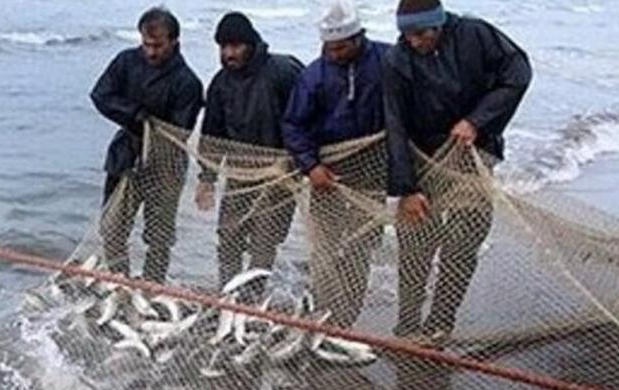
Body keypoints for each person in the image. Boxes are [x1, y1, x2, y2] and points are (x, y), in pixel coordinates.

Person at [384, 0, 532, 343]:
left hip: (471, 154)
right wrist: (406, 188)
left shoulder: (475, 35)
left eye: (421, 34)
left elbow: (518, 73)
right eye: (406, 35)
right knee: (416, 244)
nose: (414, 42)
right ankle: (407, 324)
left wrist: (477, 121)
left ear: (439, 24)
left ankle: (440, 323)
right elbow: (395, 124)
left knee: (464, 240)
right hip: (423, 156)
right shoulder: (396, 60)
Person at [282, 0, 389, 326]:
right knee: (324, 248)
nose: (334, 53)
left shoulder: (389, 60)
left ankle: (346, 320)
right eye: (329, 46)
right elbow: (293, 125)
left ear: (358, 39)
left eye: (341, 47)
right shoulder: (314, 75)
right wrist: (310, 165)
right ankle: (323, 313)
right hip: (326, 174)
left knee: (360, 249)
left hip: (372, 174)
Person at [90, 7, 203, 283]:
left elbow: (180, 132)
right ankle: (120, 282)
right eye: (146, 44)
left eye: (158, 46)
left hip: (166, 164)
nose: (151, 52)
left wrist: (150, 126)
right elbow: (101, 95)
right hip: (125, 155)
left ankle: (153, 285)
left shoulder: (187, 82)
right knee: (112, 227)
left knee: (159, 235)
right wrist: (135, 115)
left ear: (174, 42)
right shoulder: (126, 61)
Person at [195, 12, 303, 301]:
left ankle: (253, 301)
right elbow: (212, 135)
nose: (228, 53)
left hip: (281, 172)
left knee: (264, 242)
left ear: (251, 45)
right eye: (223, 47)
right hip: (240, 174)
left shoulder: (283, 71)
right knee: (228, 236)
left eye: (235, 46)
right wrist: (207, 178)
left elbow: (306, 118)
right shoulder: (220, 83)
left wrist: (298, 161)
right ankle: (228, 295)